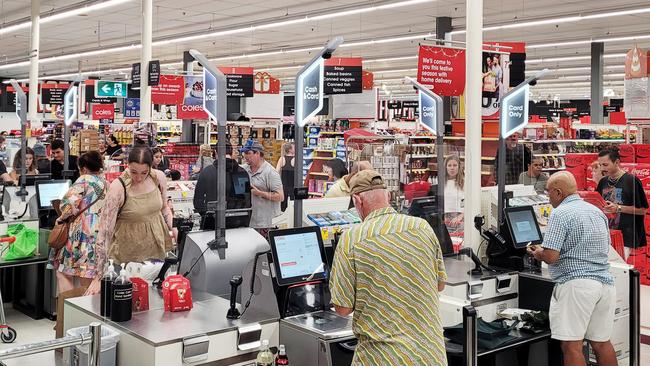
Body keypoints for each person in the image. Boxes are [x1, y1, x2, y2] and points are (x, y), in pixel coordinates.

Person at [329, 170, 447, 365]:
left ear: (357, 200)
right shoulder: (422, 227)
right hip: (430, 355)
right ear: (389, 196)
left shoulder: (352, 239)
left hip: (382, 358)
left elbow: (342, 308)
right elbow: (439, 284)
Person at [529, 171, 617, 366]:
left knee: (571, 346)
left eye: (549, 192)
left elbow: (551, 257)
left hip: (576, 286)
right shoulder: (596, 211)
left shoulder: (560, 213)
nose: (548, 197)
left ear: (559, 192)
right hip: (604, 284)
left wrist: (537, 253)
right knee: (601, 343)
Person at [85, 147, 175, 295]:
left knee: (154, 302)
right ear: (127, 165)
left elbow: (165, 208)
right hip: (125, 258)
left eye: (144, 173)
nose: (138, 177)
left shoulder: (158, 178)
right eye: (134, 172)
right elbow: (105, 231)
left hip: (156, 255)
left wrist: (175, 228)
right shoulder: (118, 187)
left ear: (150, 167)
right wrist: (99, 276)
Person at [47, 151, 107, 293]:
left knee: (64, 273)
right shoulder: (106, 183)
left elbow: (68, 204)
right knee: (88, 277)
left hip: (80, 235)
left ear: (84, 168)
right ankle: (87, 311)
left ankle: (66, 310)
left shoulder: (84, 179)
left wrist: (61, 217)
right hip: (99, 234)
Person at [596, 147, 648, 258]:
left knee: (617, 269)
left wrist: (618, 208)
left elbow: (642, 210)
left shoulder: (631, 181)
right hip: (605, 235)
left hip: (625, 236)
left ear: (617, 162)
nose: (602, 168)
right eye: (600, 165)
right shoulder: (603, 182)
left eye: (605, 165)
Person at [193, 142, 249, 229]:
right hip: (237, 225)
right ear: (231, 152)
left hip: (211, 225)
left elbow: (198, 202)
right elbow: (245, 201)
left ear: (215, 152)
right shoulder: (240, 173)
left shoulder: (207, 172)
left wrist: (208, 216)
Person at [240, 140, 283, 237]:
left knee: (264, 251)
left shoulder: (270, 172)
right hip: (249, 222)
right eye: (244, 153)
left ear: (258, 153)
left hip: (266, 224)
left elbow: (280, 196)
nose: (245, 156)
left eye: (248, 153)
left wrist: (260, 193)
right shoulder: (244, 169)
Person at [443, 155, 465, 227]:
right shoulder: (441, 183)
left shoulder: (465, 183)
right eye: (449, 165)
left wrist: (461, 216)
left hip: (460, 220)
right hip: (444, 220)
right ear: (446, 167)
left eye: (455, 165)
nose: (452, 168)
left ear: (459, 167)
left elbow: (471, 203)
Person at [276, 142, 294, 212]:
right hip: (293, 185)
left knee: (283, 205)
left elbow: (276, 172)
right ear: (290, 150)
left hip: (284, 185)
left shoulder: (282, 159)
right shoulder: (295, 159)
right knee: (293, 205)